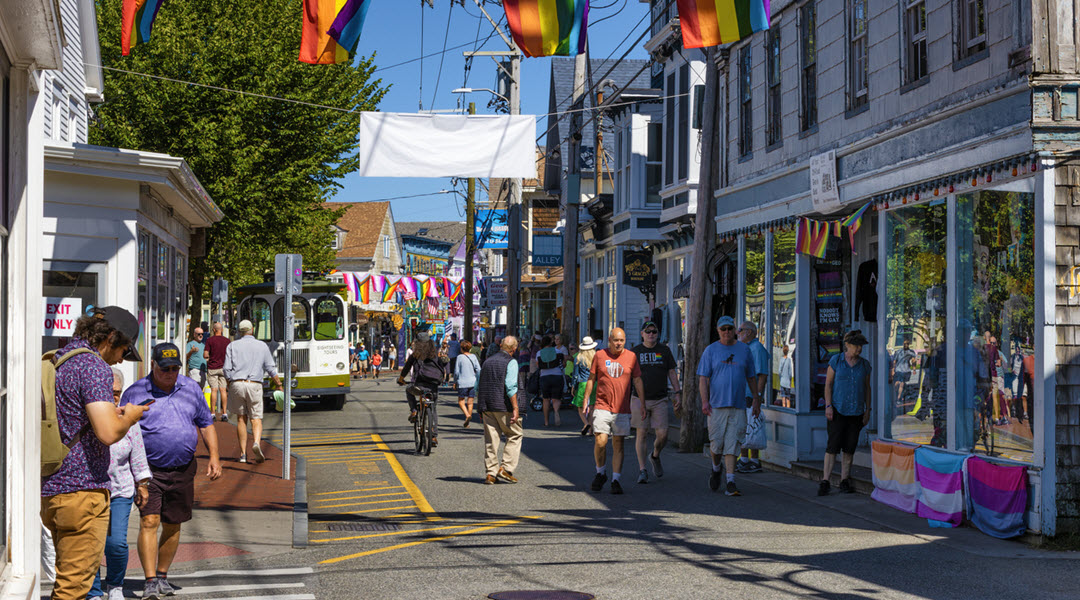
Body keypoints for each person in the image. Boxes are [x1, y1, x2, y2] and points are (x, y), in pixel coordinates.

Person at [42, 307, 148, 600]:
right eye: (124, 351)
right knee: (74, 590)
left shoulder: (60, 359)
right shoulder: (93, 367)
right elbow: (108, 433)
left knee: (66, 579)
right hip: (82, 492)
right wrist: (130, 416)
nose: (121, 359)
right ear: (111, 337)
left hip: (53, 488)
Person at [120, 342, 222, 600]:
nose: (170, 373)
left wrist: (214, 457)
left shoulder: (191, 389)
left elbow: (206, 424)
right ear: (153, 365)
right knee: (149, 521)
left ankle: (163, 576)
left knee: (173, 524)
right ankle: (150, 580)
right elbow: (123, 431)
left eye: (175, 368)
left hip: (183, 468)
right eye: (165, 368)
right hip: (148, 470)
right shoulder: (135, 392)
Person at [89, 368, 152, 600]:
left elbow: (138, 454)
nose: (112, 397)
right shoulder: (89, 415)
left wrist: (142, 483)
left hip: (120, 490)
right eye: (107, 391)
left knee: (115, 543)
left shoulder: (128, 418)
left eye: (116, 392)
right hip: (92, 488)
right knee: (92, 544)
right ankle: (93, 591)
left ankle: (115, 585)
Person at [697, 316, 761, 497]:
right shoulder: (711, 351)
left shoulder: (744, 350)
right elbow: (703, 378)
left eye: (730, 329)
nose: (727, 332)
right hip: (716, 406)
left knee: (733, 444)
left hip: (738, 405)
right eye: (723, 329)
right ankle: (716, 468)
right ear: (718, 330)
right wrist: (704, 401)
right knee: (716, 445)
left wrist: (756, 398)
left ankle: (731, 481)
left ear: (735, 330)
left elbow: (751, 376)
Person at [582, 328, 645, 495]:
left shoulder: (631, 357)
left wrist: (642, 403)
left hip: (622, 408)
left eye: (622, 340)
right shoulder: (600, 355)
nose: (619, 343)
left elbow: (637, 380)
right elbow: (591, 379)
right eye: (616, 340)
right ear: (609, 340)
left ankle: (616, 479)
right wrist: (586, 400)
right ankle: (600, 472)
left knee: (618, 444)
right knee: (600, 441)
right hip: (602, 405)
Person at [818, 330, 872, 496]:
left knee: (849, 448)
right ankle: (825, 480)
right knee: (832, 446)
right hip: (838, 410)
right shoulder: (837, 361)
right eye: (856, 345)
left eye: (861, 346)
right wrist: (828, 406)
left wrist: (867, 410)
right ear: (847, 345)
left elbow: (867, 388)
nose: (859, 349)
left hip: (856, 411)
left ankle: (844, 480)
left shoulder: (864, 365)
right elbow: (828, 385)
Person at [224, 319, 284, 464]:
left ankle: (243, 454)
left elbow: (226, 369)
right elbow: (270, 368)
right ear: (252, 330)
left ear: (239, 332)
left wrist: (230, 383)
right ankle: (256, 442)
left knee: (240, 418)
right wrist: (278, 384)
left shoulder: (232, 346)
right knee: (256, 418)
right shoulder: (262, 346)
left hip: (237, 383)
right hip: (254, 384)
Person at [631, 321, 680, 484]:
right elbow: (628, 376)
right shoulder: (635, 352)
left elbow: (672, 372)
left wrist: (678, 392)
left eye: (654, 331)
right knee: (642, 433)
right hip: (639, 399)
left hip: (660, 398)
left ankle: (655, 455)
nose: (651, 334)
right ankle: (642, 469)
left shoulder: (664, 350)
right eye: (648, 331)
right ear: (642, 333)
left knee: (663, 434)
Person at [478, 336, 524, 484]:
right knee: (515, 435)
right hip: (504, 406)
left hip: (487, 404)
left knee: (491, 439)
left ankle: (490, 473)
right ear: (514, 349)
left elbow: (477, 385)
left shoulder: (487, 361)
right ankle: (506, 468)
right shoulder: (511, 362)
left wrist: (480, 407)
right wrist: (516, 407)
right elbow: (511, 386)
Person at [397, 333, 448, 443]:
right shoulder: (435, 355)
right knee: (433, 408)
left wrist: (401, 379)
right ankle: (433, 436)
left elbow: (406, 368)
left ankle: (414, 410)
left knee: (408, 390)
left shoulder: (415, 355)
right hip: (433, 386)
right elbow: (443, 365)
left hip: (419, 386)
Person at [737, 321, 770, 474]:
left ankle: (753, 461)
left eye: (740, 330)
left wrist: (757, 397)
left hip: (751, 395)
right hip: (743, 393)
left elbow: (762, 375)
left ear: (749, 332)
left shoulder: (756, 349)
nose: (737, 333)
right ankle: (744, 459)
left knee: (750, 426)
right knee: (744, 426)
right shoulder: (746, 348)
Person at [532, 335, 566, 427]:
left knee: (546, 399)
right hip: (557, 376)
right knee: (556, 399)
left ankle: (546, 421)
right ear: (551, 343)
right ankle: (556, 411)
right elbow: (564, 364)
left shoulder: (539, 353)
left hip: (544, 377)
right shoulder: (558, 351)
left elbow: (538, 365)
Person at [571, 337, 598, 435]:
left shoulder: (578, 358)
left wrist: (573, 386)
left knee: (580, 406)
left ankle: (586, 424)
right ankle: (591, 430)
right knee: (591, 406)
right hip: (594, 383)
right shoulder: (596, 357)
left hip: (583, 383)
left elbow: (575, 374)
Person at [203, 322, 230, 422]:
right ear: (221, 330)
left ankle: (213, 413)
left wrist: (209, 357)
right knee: (223, 390)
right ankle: (224, 413)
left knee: (213, 390)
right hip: (224, 368)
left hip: (213, 367)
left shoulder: (210, 340)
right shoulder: (227, 341)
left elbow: (205, 355)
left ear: (214, 330)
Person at [455, 340, 482, 427]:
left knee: (461, 401)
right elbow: (478, 370)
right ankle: (467, 421)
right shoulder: (473, 357)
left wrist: (455, 381)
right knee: (470, 402)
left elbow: (456, 372)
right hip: (472, 382)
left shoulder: (459, 357)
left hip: (462, 382)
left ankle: (467, 415)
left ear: (461, 348)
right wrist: (478, 379)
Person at [891, 339, 916, 412]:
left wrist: (914, 369)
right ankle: (895, 396)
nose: (906, 345)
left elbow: (914, 361)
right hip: (899, 370)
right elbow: (894, 361)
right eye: (905, 343)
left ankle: (897, 398)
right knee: (897, 383)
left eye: (907, 344)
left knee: (901, 383)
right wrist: (893, 369)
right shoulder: (899, 352)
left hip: (905, 370)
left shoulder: (911, 352)